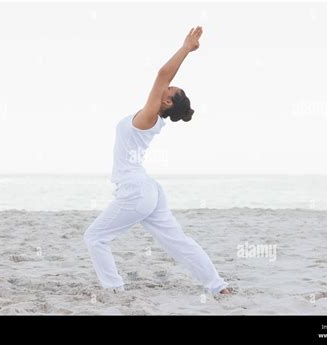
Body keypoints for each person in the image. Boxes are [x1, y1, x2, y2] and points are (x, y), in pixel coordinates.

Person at [84, 26, 231, 295]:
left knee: (95, 237)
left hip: (135, 191)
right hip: (148, 189)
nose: (167, 85)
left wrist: (186, 48)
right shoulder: (150, 119)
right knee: (178, 241)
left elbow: (163, 73)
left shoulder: (148, 118)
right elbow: (164, 78)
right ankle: (217, 286)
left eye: (170, 88)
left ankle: (114, 289)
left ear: (166, 101)